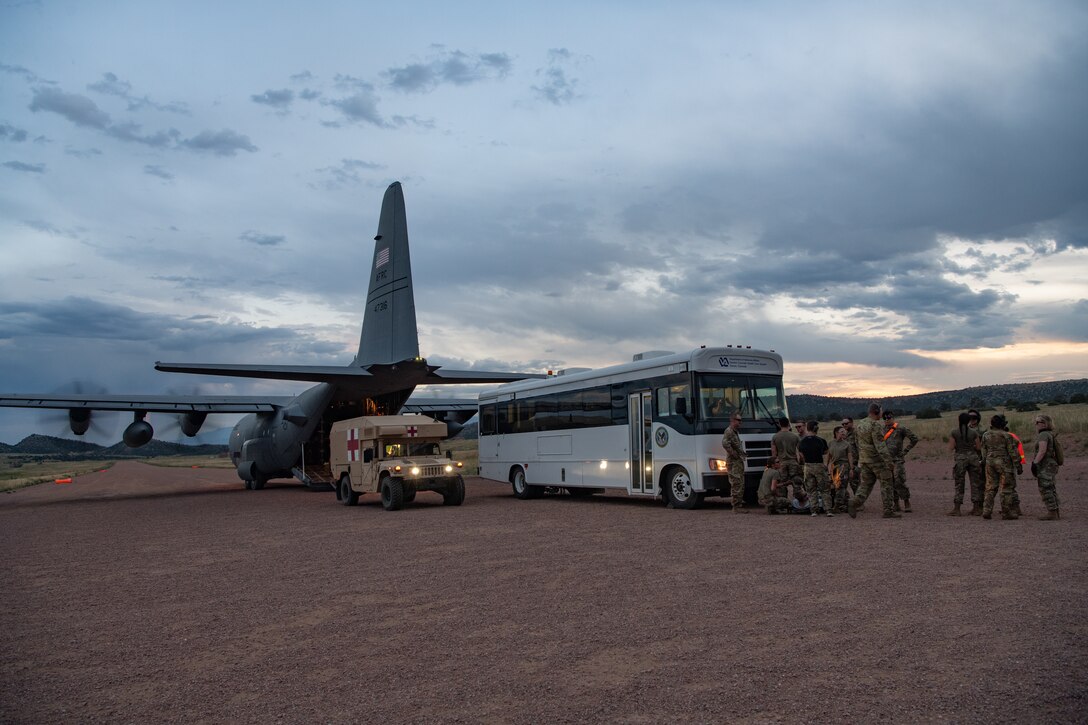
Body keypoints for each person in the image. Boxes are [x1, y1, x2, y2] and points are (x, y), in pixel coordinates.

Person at [848, 403, 899, 519]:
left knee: (866, 484)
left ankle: (855, 502)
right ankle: (888, 510)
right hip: (877, 461)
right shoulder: (875, 425)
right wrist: (889, 462)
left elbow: (857, 443)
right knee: (886, 484)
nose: (882, 414)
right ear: (876, 412)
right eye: (881, 411)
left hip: (865, 460)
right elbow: (880, 446)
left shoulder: (860, 424)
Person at [981, 414, 1020, 520]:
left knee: (990, 487)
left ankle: (986, 510)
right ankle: (1006, 512)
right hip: (1004, 464)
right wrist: (1018, 465)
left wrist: (984, 461)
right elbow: (1012, 452)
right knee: (1006, 488)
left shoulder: (985, 435)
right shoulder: (1006, 435)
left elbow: (983, 450)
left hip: (990, 462)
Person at [947, 412, 984, 516]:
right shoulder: (973, 432)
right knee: (975, 483)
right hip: (973, 458)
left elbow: (951, 447)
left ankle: (957, 508)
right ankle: (976, 508)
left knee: (959, 483)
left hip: (960, 458)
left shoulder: (954, 432)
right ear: (968, 420)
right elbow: (978, 447)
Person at [882, 411, 919, 512]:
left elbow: (914, 439)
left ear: (893, 418)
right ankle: (896, 504)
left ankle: (906, 502)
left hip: (898, 460)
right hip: (887, 461)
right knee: (890, 482)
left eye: (888, 418)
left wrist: (905, 451)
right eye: (884, 418)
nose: (886, 420)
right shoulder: (881, 430)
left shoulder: (900, 428)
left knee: (899, 481)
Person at [798, 420, 833, 516]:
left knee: (811, 489)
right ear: (815, 428)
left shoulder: (802, 442)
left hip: (808, 466)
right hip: (819, 465)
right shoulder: (821, 441)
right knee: (825, 489)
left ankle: (814, 510)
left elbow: (801, 455)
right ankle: (828, 510)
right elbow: (826, 452)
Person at [1031, 414, 1062, 521]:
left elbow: (1042, 450)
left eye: (1038, 422)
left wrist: (1034, 463)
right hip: (1051, 464)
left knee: (1045, 488)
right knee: (1051, 487)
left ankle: (1052, 511)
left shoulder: (1043, 435)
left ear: (1044, 424)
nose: (1036, 425)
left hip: (1046, 465)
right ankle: (1055, 510)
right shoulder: (1050, 434)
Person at [722, 411, 748, 513]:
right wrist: (734, 454)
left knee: (740, 482)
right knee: (736, 483)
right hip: (733, 462)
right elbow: (725, 444)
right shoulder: (729, 431)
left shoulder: (734, 432)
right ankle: (736, 507)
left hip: (737, 462)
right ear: (732, 420)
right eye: (738, 420)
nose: (740, 422)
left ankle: (739, 505)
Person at [771, 417, 803, 494]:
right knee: (796, 484)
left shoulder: (775, 437)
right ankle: (800, 502)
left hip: (782, 463)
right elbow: (801, 452)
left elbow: (774, 453)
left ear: (779, 424)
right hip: (793, 462)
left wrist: (773, 465)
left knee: (782, 484)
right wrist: (801, 462)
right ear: (788, 424)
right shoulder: (795, 436)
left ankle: (784, 502)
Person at [828, 425, 853, 513]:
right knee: (837, 486)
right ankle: (848, 504)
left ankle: (837, 506)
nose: (844, 433)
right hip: (834, 467)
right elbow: (829, 456)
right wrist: (827, 466)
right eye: (842, 431)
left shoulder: (847, 444)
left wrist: (851, 469)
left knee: (841, 486)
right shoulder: (831, 443)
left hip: (844, 466)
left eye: (844, 431)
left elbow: (850, 456)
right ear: (836, 433)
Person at [841, 416, 860, 494]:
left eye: (846, 423)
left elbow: (860, 448)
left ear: (852, 423)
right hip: (845, 464)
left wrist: (859, 463)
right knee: (843, 484)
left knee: (855, 484)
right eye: (843, 424)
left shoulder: (856, 433)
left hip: (854, 463)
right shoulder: (844, 434)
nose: (844, 425)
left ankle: (859, 503)